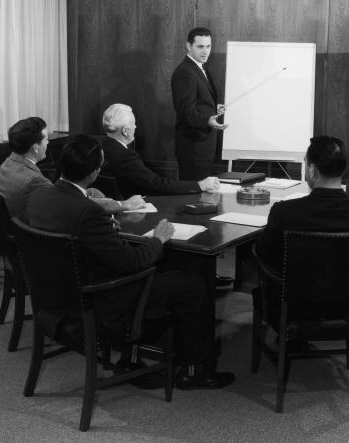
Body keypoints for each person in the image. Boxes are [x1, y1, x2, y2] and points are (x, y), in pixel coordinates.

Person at [27, 134, 235, 390]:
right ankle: (196, 370)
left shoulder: (39, 198)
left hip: (56, 299)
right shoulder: (89, 212)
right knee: (192, 284)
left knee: (166, 272)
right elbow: (132, 263)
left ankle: (135, 357)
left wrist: (106, 232)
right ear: (93, 174)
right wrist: (158, 239)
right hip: (100, 302)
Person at [256, 136, 349, 272]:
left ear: (312, 170)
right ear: (343, 167)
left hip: (298, 291)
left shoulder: (283, 212)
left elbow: (264, 253)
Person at [0, 117, 143, 222]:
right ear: (35, 146)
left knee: (93, 192)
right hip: (38, 239)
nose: (48, 142)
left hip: (22, 228)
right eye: (45, 139)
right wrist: (124, 205)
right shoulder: (34, 181)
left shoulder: (7, 164)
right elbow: (66, 205)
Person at [101, 103, 219, 198]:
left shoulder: (102, 148)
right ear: (125, 131)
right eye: (134, 124)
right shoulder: (124, 156)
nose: (136, 127)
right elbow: (157, 184)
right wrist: (199, 185)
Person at [171, 27, 227, 180]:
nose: (205, 51)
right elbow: (185, 111)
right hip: (193, 148)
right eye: (200, 46)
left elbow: (199, 101)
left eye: (208, 46)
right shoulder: (185, 72)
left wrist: (213, 108)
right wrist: (207, 120)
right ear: (189, 46)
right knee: (194, 199)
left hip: (203, 147)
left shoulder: (201, 67)